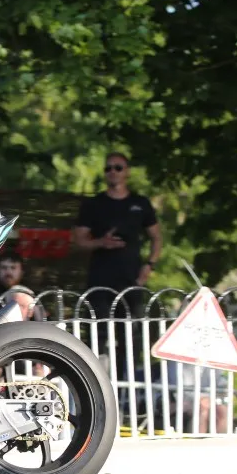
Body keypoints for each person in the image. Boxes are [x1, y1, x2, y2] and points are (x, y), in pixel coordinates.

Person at [73, 152, 162, 372]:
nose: (113, 172)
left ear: (127, 172)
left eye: (118, 168)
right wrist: (101, 242)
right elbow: (79, 241)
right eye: (108, 168)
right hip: (100, 278)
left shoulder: (140, 203)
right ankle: (93, 382)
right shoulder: (94, 204)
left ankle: (127, 388)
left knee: (131, 337)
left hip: (131, 279)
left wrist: (149, 265)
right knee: (97, 334)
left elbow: (157, 238)